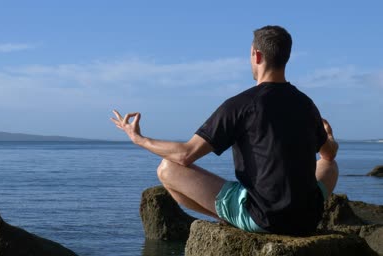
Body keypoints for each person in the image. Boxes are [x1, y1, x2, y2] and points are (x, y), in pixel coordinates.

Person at [111, 25, 339, 236]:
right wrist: (328, 137)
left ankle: (234, 220)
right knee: (330, 165)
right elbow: (329, 155)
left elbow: (185, 154)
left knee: (167, 168)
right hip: (307, 218)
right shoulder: (306, 104)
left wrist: (138, 138)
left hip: (264, 219)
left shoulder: (242, 105)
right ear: (285, 58)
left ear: (257, 56)